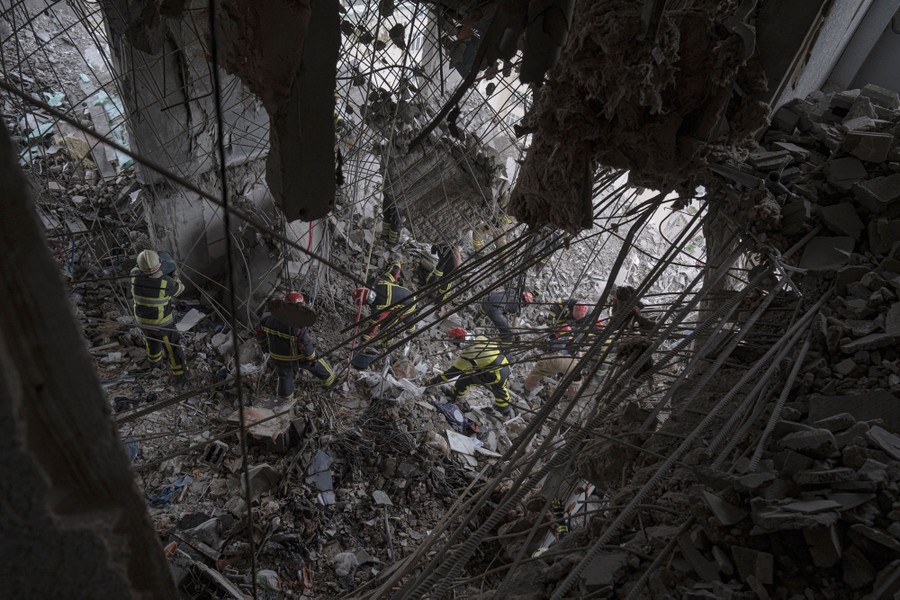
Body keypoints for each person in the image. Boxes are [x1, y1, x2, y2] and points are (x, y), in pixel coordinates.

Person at [256, 292, 335, 399]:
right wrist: (312, 357)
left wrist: (265, 348)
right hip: (296, 357)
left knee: (284, 375)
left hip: (277, 356)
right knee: (318, 361)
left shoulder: (267, 318)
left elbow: (260, 335)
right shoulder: (298, 327)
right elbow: (305, 346)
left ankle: (285, 397)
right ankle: (330, 379)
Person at [426, 327, 513, 416]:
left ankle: (454, 396)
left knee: (465, 379)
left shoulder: (469, 353)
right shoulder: (481, 338)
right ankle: (505, 409)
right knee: (499, 387)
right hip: (504, 365)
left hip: (494, 373)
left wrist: (437, 380)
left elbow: (453, 372)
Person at [130, 249, 188, 380]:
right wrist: (174, 275)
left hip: (142, 321)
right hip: (162, 324)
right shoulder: (165, 282)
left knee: (152, 342)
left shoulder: (133, 276)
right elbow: (180, 289)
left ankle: (154, 364)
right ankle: (181, 375)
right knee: (173, 347)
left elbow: (139, 268)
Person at [351, 263, 417, 369]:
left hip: (407, 305)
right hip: (406, 294)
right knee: (390, 320)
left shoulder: (380, 304)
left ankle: (386, 344)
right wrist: (397, 263)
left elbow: (374, 324)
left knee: (388, 324)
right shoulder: (378, 282)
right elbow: (392, 272)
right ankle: (404, 332)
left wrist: (364, 340)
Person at [523, 324, 583, 399]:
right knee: (576, 382)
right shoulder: (574, 340)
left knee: (538, 371)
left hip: (556, 358)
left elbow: (548, 349)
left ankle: (527, 388)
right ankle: (572, 397)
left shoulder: (558, 338)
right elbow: (579, 356)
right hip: (571, 362)